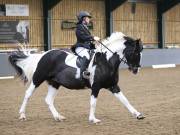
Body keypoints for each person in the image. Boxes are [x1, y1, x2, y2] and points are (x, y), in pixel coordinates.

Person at [74, 11, 100, 80]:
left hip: (86, 47)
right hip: (80, 47)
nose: (89, 19)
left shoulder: (85, 27)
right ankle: (82, 74)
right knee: (87, 56)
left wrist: (94, 44)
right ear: (83, 19)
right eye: (88, 18)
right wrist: (93, 37)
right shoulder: (79, 27)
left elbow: (88, 40)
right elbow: (83, 37)